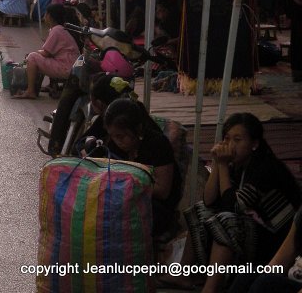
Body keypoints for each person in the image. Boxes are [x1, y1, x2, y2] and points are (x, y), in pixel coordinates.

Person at [160, 113, 301, 292]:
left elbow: (232, 207)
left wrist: (224, 166)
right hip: (255, 228)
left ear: (254, 144)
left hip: (276, 241)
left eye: (237, 139)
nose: (230, 145)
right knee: (199, 210)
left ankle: (210, 289)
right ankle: (184, 274)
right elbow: (209, 201)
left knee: (227, 221)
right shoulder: (238, 164)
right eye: (227, 139)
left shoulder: (265, 169)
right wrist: (218, 163)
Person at [103, 98, 183, 242]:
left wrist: (128, 186)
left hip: (157, 206)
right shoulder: (115, 146)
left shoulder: (157, 145)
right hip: (128, 200)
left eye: (121, 136)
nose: (117, 141)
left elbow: (163, 191)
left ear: (138, 129)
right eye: (113, 136)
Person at [12, 3, 78, 99]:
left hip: (66, 67)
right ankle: (36, 88)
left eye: (46, 14)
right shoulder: (60, 29)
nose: (44, 16)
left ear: (50, 16)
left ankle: (30, 91)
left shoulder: (56, 30)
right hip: (70, 66)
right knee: (35, 57)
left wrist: (33, 54)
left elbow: (46, 52)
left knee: (32, 57)